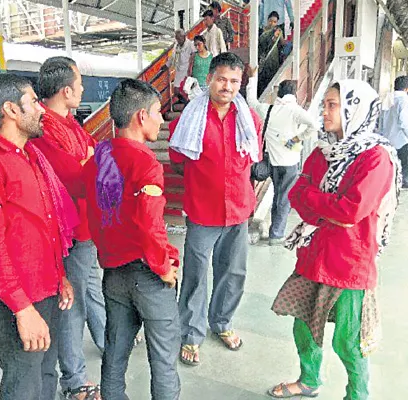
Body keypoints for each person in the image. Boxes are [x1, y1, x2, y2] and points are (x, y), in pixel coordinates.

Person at [268, 80, 402, 399]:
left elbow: (351, 211)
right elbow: (296, 195)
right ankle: (309, 380)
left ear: (353, 109)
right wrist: (326, 204)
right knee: (303, 325)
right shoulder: (323, 150)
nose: (324, 111)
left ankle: (357, 394)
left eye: (332, 105)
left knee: (348, 341)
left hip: (350, 263)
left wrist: (319, 202)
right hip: (314, 254)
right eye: (325, 104)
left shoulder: (375, 158)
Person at [0, 73, 77, 400]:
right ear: (10, 109)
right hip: (16, 298)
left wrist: (60, 277)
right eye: (33, 102)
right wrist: (22, 309)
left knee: (46, 373)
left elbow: (44, 226)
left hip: (46, 288)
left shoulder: (31, 156)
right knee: (23, 383)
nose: (41, 109)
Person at [83, 79, 181, 400]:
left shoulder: (99, 156)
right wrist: (164, 268)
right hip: (146, 274)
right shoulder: (145, 164)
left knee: (115, 353)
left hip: (113, 273)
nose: (162, 121)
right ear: (141, 117)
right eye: (157, 113)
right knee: (164, 361)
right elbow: (149, 224)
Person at [168, 52, 262, 366]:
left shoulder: (250, 120)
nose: (227, 86)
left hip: (238, 209)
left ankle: (221, 322)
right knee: (196, 274)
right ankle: (191, 335)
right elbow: (179, 161)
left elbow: (251, 160)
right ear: (209, 78)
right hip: (202, 210)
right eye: (222, 79)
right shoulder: (189, 119)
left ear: (241, 83)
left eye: (234, 81)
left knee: (233, 272)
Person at [32, 56, 107, 400]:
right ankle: (74, 380)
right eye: (79, 85)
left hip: (86, 227)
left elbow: (91, 161)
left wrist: (91, 162)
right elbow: (78, 177)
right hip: (69, 232)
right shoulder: (44, 129)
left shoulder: (71, 125)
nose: (82, 90)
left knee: (92, 288)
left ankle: (108, 342)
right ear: (66, 90)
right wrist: (91, 163)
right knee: (72, 304)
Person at [246, 68, 320, 245]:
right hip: (289, 163)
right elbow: (314, 125)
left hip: (270, 162)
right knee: (283, 198)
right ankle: (276, 235)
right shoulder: (296, 111)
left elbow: (251, 102)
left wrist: (252, 77)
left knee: (270, 190)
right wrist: (297, 138)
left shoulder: (269, 110)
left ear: (278, 93)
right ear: (294, 94)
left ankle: (259, 222)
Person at [380, 75, 408, 187]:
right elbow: (404, 122)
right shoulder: (404, 100)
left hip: (387, 140)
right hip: (402, 141)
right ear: (406, 89)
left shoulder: (386, 99)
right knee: (404, 169)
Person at [167, 30, 196, 103]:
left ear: (184, 36)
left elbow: (195, 55)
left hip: (186, 70)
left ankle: (185, 104)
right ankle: (183, 103)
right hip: (178, 70)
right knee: (176, 91)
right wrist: (167, 65)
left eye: (179, 38)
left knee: (185, 90)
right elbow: (172, 57)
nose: (178, 40)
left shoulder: (190, 44)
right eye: (176, 38)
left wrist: (191, 69)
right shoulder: (176, 45)